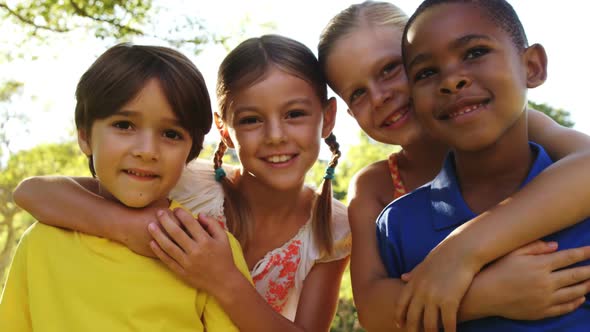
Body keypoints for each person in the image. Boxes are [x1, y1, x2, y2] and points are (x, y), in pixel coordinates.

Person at [13, 35, 350, 331]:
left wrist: (223, 279)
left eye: (294, 114)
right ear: (224, 130)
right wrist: (132, 227)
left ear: (328, 118)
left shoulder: (332, 229)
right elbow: (34, 192)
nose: (276, 136)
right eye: (250, 119)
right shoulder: (185, 181)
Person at [319, 1, 590, 330]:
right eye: (358, 93)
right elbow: (373, 309)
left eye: (390, 69)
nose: (379, 97)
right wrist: (484, 293)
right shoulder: (379, 191)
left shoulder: (520, 126)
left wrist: (462, 249)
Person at [0, 43, 252, 331]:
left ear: (190, 152)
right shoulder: (41, 242)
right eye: (124, 125)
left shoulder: (207, 247)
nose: (147, 151)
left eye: (171, 133)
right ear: (84, 136)